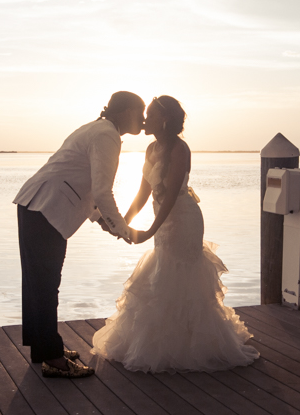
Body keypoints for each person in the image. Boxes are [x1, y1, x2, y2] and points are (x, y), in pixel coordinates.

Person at [91, 96, 260, 372]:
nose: (144, 119)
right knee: (162, 276)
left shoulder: (179, 149)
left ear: (165, 120)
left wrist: (151, 230)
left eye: (151, 114)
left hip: (182, 218)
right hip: (162, 220)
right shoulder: (150, 149)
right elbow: (144, 193)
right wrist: (122, 222)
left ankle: (192, 344)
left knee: (183, 276)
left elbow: (170, 196)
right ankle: (164, 341)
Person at [14, 91, 146, 378]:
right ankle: (53, 358)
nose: (144, 119)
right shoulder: (106, 135)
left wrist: (100, 219)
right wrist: (124, 229)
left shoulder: (95, 128)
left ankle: (43, 348)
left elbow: (83, 183)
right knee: (46, 284)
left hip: (36, 205)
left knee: (38, 283)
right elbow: (101, 190)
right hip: (46, 208)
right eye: (141, 111)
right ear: (124, 112)